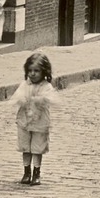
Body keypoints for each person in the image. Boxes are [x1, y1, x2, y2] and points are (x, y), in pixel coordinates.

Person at [12, 51, 58, 186]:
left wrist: (41, 99)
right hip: (25, 121)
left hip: (40, 122)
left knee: (37, 148)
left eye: (36, 71)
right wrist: (21, 100)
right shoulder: (25, 85)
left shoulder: (46, 86)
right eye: (30, 70)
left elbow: (53, 99)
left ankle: (36, 172)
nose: (32, 74)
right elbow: (17, 97)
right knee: (25, 147)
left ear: (44, 72)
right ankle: (26, 171)